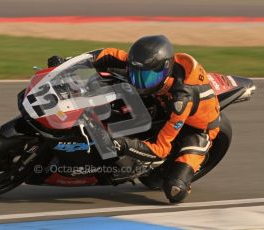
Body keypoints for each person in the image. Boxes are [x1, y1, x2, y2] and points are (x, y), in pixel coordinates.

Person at [48, 35, 220, 203]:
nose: (139, 82)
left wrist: (122, 144)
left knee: (175, 191)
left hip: (195, 128)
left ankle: (185, 170)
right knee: (107, 79)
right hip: (161, 101)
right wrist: (67, 63)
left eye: (147, 78)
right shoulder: (146, 64)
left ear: (165, 70)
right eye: (135, 73)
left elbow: (161, 149)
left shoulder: (181, 100)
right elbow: (106, 54)